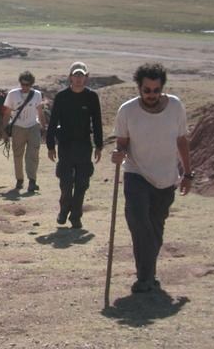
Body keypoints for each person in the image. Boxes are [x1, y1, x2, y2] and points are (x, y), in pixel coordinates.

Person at [111, 63, 192, 293]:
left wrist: (187, 174)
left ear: (162, 88)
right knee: (138, 222)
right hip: (137, 174)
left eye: (156, 90)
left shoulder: (175, 106)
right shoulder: (127, 110)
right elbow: (123, 144)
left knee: (155, 228)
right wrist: (119, 154)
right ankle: (145, 278)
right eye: (147, 90)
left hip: (166, 178)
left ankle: (149, 273)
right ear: (139, 88)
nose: (151, 95)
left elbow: (182, 141)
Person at [46, 62, 103, 229]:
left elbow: (97, 122)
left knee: (81, 183)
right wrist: (50, 146)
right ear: (70, 77)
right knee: (65, 182)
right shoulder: (62, 96)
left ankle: (76, 216)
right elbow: (53, 121)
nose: (78, 79)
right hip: (65, 145)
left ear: (86, 77)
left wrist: (99, 145)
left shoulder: (91, 97)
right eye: (75, 75)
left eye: (81, 75)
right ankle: (64, 208)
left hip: (84, 146)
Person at [2, 71, 46, 192]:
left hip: (33, 127)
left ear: (31, 84)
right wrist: (4, 131)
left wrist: (44, 127)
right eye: (23, 84)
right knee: (18, 155)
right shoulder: (12, 94)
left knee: (33, 155)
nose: (25, 87)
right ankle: (19, 179)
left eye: (27, 85)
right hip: (18, 127)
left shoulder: (37, 94)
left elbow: (40, 112)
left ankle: (32, 181)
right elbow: (7, 113)